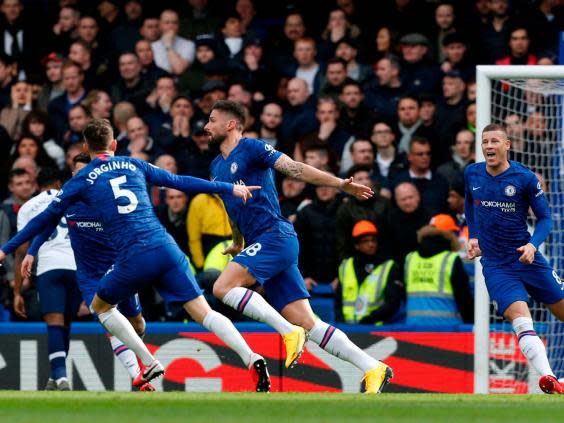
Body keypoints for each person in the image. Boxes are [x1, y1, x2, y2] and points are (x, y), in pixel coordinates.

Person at [0, 119, 271, 392]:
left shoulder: (81, 179)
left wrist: (6, 249)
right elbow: (179, 181)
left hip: (133, 255)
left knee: (102, 307)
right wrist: (229, 188)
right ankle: (251, 356)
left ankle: (148, 361)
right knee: (204, 312)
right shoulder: (135, 164)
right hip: (166, 246)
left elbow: (43, 220)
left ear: (86, 147)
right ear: (115, 144)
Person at [204, 100, 393, 394]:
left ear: (230, 124)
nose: (206, 126)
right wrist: (237, 240)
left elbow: (295, 168)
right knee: (309, 323)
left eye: (212, 120)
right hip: (260, 243)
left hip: (275, 236)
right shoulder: (216, 166)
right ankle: (373, 367)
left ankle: (287, 332)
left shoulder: (253, 148)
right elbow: (232, 206)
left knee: (221, 288)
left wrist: (340, 184)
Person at [22, 154, 154, 391]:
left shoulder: (108, 197)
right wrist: (31, 251)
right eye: (80, 172)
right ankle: (139, 374)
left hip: (121, 265)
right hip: (89, 273)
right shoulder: (68, 200)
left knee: (137, 322)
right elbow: (46, 226)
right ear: (73, 175)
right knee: (108, 322)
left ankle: (140, 363)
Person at [464, 123, 564, 394]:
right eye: (485, 142)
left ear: (507, 145)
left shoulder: (525, 178)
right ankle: (549, 378)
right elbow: (470, 208)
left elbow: (545, 218)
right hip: (497, 265)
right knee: (522, 319)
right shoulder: (471, 173)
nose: (489, 146)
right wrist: (473, 237)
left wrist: (533, 245)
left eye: (495, 141)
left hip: (528, 259)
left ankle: (550, 378)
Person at [13, 168, 79, 391]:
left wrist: (17, 291)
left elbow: (22, 250)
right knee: (66, 324)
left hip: (49, 267)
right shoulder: (73, 200)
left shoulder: (29, 207)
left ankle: (60, 375)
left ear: (37, 185)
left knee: (54, 322)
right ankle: (57, 376)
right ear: (60, 183)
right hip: (75, 267)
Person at [404, 213, 474, 325]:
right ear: (449, 235)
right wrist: (471, 323)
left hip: (413, 325)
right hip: (446, 327)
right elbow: (463, 298)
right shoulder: (451, 259)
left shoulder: (410, 258)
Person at [337, 220, 403, 325]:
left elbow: (392, 303)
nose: (371, 244)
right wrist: (340, 322)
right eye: (365, 241)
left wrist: (370, 319)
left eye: (373, 240)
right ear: (356, 245)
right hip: (348, 328)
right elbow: (338, 300)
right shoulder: (345, 266)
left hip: (374, 327)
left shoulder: (388, 266)